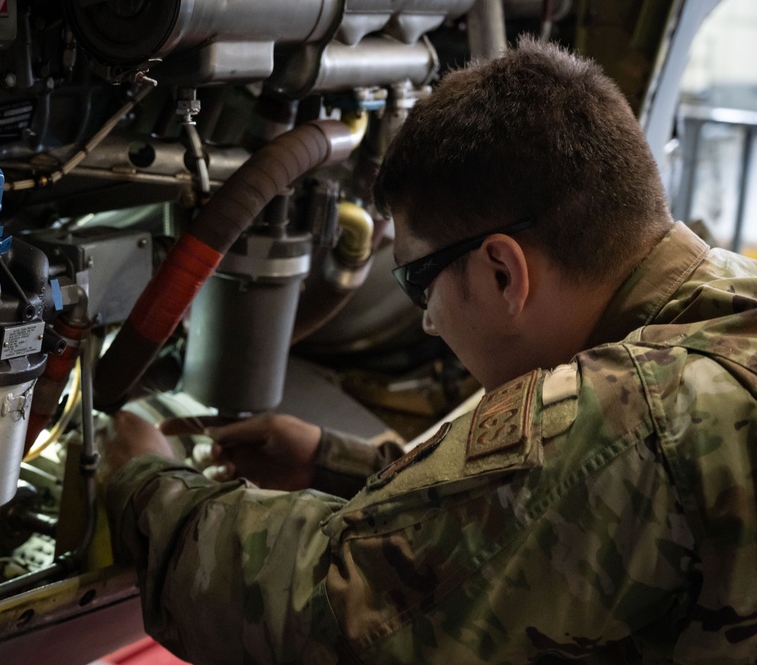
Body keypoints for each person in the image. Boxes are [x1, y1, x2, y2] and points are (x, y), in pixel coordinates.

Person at [100, 38, 757, 664]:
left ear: (503, 271)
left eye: (417, 281)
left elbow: (333, 615)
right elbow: (542, 513)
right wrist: (338, 463)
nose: (430, 326)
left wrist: (147, 485)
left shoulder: (630, 414)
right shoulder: (723, 306)